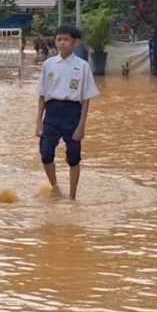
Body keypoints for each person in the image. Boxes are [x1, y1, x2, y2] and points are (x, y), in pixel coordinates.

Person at [35, 24, 100, 199]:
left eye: (66, 40)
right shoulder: (48, 64)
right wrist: (38, 122)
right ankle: (55, 187)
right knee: (46, 154)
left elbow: (86, 99)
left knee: (73, 157)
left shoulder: (83, 66)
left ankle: (72, 196)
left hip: (72, 112)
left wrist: (81, 126)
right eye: (59, 39)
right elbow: (41, 95)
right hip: (52, 112)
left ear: (75, 42)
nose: (62, 43)